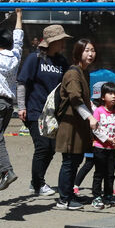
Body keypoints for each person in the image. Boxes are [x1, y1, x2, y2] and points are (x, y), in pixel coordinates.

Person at [17, 24, 71, 196]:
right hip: (35, 110)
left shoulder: (62, 62)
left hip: (53, 113)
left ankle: (36, 182)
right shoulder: (35, 59)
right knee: (42, 146)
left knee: (52, 147)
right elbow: (22, 83)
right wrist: (21, 107)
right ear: (51, 42)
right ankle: (39, 184)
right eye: (60, 40)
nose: (63, 43)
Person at [53, 39, 98, 210]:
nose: (90, 54)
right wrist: (90, 118)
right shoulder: (73, 74)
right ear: (78, 52)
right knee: (69, 162)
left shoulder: (83, 72)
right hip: (70, 125)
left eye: (92, 50)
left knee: (75, 161)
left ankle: (69, 195)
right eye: (86, 50)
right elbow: (75, 99)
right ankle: (64, 199)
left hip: (78, 125)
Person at [0, 9, 24, 191]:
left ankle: (7, 171)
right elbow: (18, 38)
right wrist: (19, 16)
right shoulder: (15, 54)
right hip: (8, 104)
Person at [89, 82, 115, 209]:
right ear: (103, 97)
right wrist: (107, 139)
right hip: (100, 147)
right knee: (99, 173)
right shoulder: (98, 111)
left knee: (110, 173)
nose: (114, 96)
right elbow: (95, 128)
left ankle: (108, 195)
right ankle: (96, 196)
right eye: (110, 94)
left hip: (113, 149)